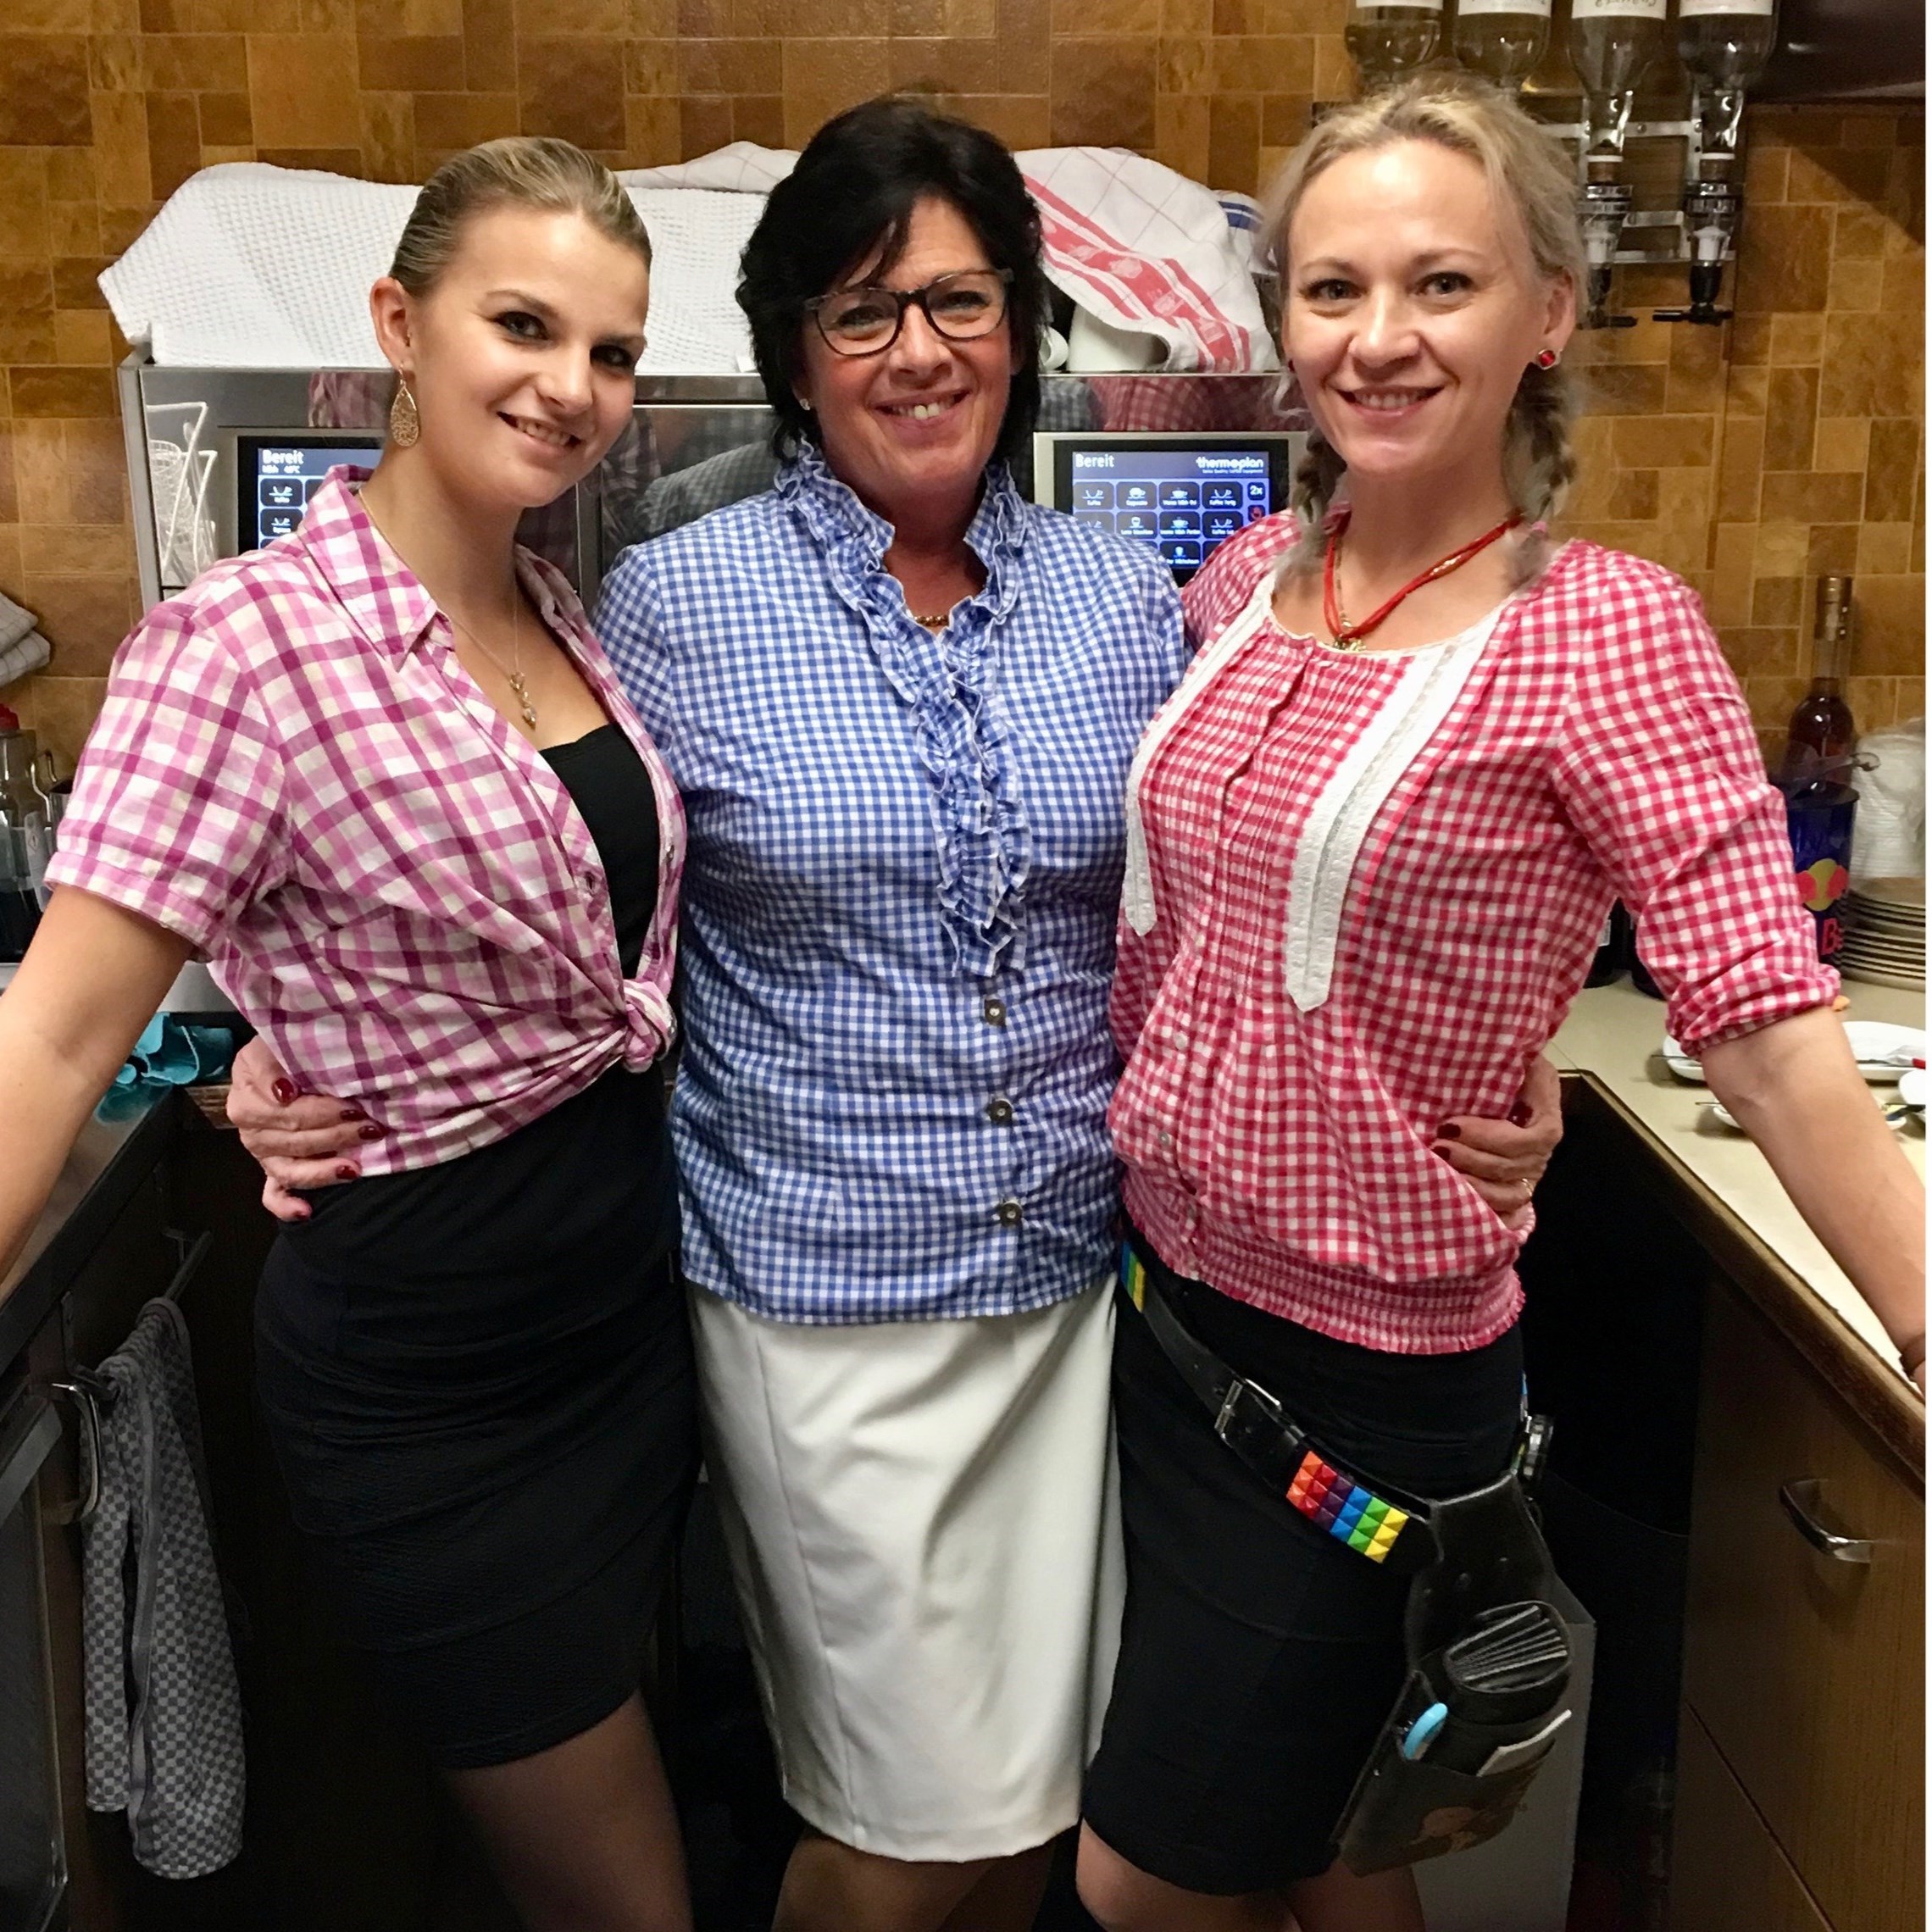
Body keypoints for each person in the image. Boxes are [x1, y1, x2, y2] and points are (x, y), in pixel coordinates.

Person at [226, 97, 1562, 1932]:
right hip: (827, 1306)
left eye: (959, 300)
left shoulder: (1131, 600)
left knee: (1063, 1812)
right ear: (795, 352)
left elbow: (1272, 868)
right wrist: (290, 1040)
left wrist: (1487, 1060)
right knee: (917, 1828)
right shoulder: (672, 604)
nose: (917, 350)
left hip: (1102, 1303)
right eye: (860, 310)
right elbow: (528, 875)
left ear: (1020, 324)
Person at [1073, 75, 1927, 1932]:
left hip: (1366, 1376)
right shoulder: (1248, 581)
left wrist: (1926, 1319)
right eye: (1332, 289)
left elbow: (1765, 1024)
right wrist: (1472, 1042)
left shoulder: (1603, 628)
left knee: (1145, 1886)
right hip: (1174, 1317)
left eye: (1438, 284)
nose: (1375, 338)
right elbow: (1226, 933)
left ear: (1547, 311)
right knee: (1330, 1837)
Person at [0, 139, 698, 1932]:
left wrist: (281, 1050)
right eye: (523, 326)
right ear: (400, 322)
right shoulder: (240, 647)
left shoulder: (551, 609)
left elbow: (546, 963)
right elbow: (56, 1037)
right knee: (625, 1901)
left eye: (613, 352)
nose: (572, 387)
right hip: (433, 1382)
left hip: (620, 1344)